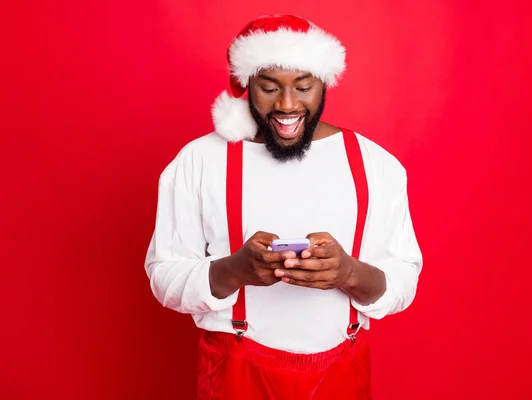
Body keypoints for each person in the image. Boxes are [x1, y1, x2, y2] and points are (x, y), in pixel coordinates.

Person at [145, 14, 423, 400]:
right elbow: (164, 277)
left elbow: (404, 278)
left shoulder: (375, 165)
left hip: (341, 377)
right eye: (269, 87)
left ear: (324, 83)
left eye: (303, 86)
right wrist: (234, 269)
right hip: (236, 377)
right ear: (246, 85)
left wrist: (349, 273)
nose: (287, 104)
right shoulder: (199, 160)